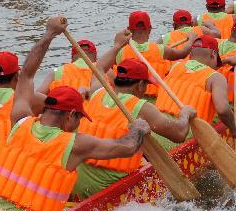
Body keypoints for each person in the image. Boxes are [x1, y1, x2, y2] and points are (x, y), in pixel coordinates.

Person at [0, 16, 150, 211]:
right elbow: (127, 147)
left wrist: (49, 34)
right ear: (70, 116)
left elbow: (27, 75)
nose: (78, 125)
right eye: (79, 119)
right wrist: (138, 129)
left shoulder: (19, 120)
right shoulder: (76, 144)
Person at [73, 58, 196, 199]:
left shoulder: (97, 91)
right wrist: (185, 114)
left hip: (77, 181)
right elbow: (179, 134)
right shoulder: (142, 107)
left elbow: (99, 66)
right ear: (141, 85)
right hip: (104, 188)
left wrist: (118, 44)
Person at [154, 35, 236, 142]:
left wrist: (226, 60)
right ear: (213, 54)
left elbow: (199, 70)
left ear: (191, 54)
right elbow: (223, 110)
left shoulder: (175, 66)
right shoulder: (216, 78)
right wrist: (234, 130)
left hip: (157, 127)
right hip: (184, 134)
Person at [117, 11, 195, 97]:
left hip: (127, 100)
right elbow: (183, 53)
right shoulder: (160, 49)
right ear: (150, 28)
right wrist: (191, 40)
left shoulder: (120, 51)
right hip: (155, 100)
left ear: (129, 29)